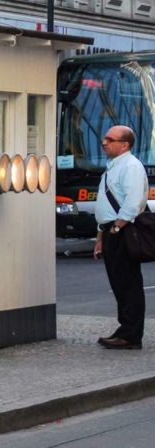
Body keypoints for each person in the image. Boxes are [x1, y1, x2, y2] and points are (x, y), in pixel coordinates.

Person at [93, 125, 148, 350]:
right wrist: (100, 237)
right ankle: (125, 330)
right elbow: (105, 204)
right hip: (111, 231)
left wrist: (116, 229)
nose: (104, 142)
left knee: (128, 284)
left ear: (124, 145)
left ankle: (131, 335)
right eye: (105, 138)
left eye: (110, 139)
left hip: (122, 231)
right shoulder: (113, 167)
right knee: (119, 283)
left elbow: (133, 202)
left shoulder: (131, 166)